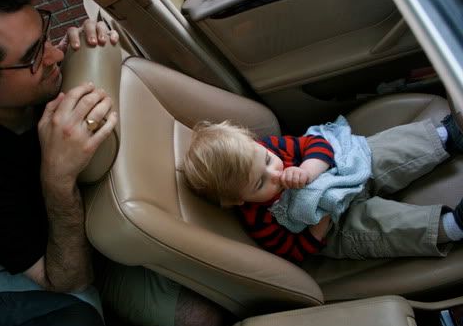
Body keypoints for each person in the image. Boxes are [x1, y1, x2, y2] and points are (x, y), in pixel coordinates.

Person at [0, 0, 223, 326]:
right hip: (89, 256)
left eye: (45, 36)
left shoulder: (47, 75)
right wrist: (57, 179)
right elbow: (67, 280)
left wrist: (99, 58)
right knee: (205, 318)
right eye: (33, 57)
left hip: (140, 196)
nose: (57, 55)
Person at [183, 112, 463, 263]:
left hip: (340, 174)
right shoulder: (258, 220)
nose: (275, 172)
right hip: (331, 223)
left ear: (258, 145)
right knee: (373, 227)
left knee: (378, 151)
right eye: (260, 183)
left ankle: (446, 136)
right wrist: (316, 233)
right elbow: (290, 250)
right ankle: (449, 226)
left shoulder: (271, 148)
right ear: (237, 201)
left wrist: (308, 169)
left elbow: (316, 145)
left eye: (268, 160)